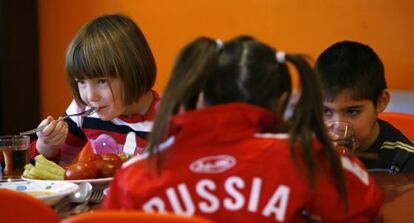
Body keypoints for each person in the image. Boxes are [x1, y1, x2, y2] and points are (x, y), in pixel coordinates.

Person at [103, 36, 382, 222]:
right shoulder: (309, 158)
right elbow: (367, 202)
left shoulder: (133, 176)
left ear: (202, 95)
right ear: (282, 101)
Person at [30, 14, 159, 165]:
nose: (91, 96)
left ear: (134, 71)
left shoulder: (171, 117)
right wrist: (47, 145)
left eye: (102, 81)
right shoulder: (82, 110)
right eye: (82, 82)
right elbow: (52, 171)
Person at [315, 40, 414, 173]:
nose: (338, 126)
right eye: (325, 111)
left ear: (381, 101)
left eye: (352, 111)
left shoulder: (404, 160)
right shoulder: (310, 148)